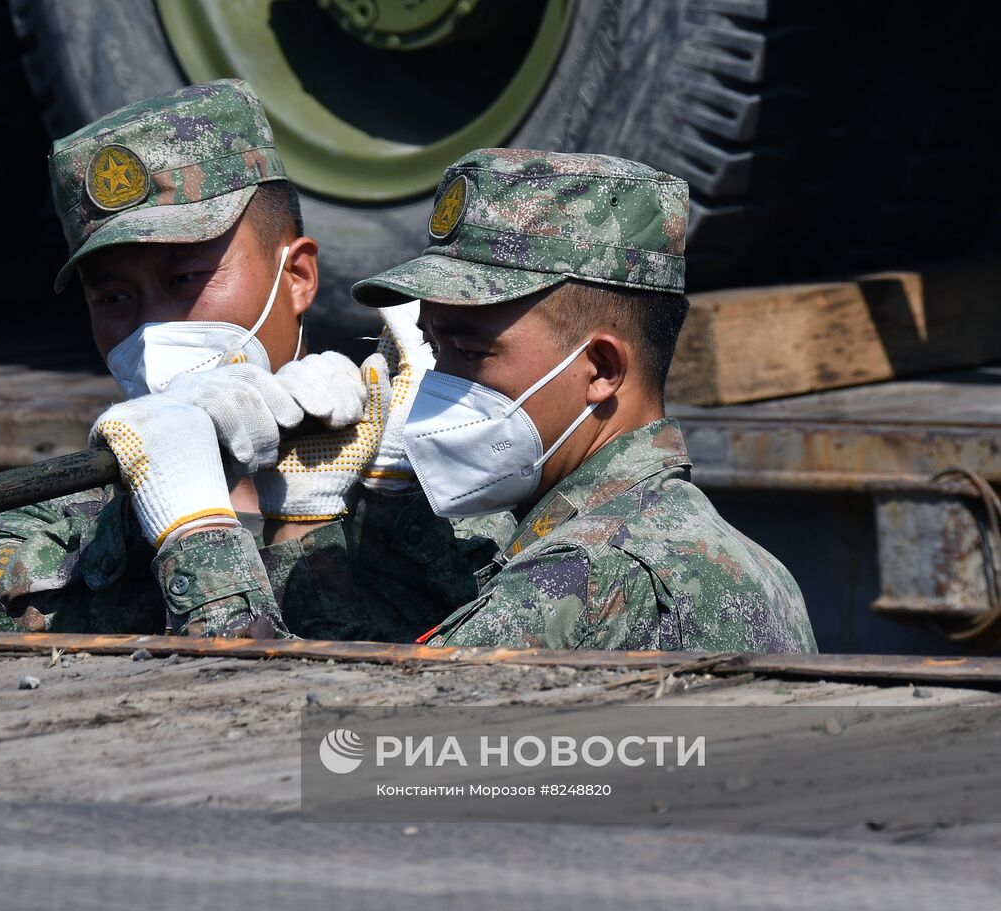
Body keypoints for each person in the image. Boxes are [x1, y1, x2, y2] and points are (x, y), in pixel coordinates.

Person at [112, 146, 816, 653]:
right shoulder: (660, 536)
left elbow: (331, 755)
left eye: (470, 350)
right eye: (431, 347)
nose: (433, 384)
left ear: (600, 367)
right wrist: (333, 519)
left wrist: (199, 537)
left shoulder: (598, 573)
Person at [0, 80, 511, 639]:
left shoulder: (425, 479)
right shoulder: (71, 513)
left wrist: (337, 517)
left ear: (298, 276)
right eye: (113, 298)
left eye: (185, 278)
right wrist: (162, 513)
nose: (153, 327)